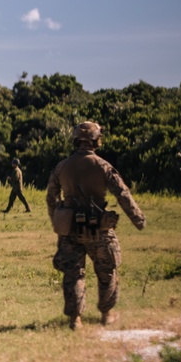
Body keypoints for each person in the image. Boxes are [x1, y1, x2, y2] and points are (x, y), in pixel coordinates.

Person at [46, 121, 146, 331]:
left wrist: (57, 220)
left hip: (70, 230)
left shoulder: (62, 166)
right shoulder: (103, 166)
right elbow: (122, 194)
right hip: (99, 229)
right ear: (96, 140)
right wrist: (138, 219)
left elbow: (51, 197)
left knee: (73, 273)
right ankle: (107, 314)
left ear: (76, 140)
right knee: (106, 270)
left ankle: (75, 320)